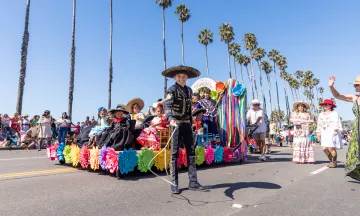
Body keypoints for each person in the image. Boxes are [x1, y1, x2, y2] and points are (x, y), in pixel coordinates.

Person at [163, 65, 208, 194]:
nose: (181, 78)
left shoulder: (189, 90)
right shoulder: (171, 90)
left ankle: (193, 182)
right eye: (179, 77)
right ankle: (174, 183)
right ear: (174, 77)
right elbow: (167, 105)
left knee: (191, 151)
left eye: (184, 77)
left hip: (187, 124)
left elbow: (189, 108)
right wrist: (170, 118)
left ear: (187, 78)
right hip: (175, 124)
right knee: (174, 153)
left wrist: (192, 121)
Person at [329, 75, 360, 180]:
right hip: (357, 128)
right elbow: (338, 96)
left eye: (356, 85)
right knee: (356, 152)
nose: (354, 87)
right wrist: (331, 86)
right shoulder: (354, 97)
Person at [316, 99, 343, 168]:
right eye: (324, 104)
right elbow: (319, 123)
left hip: (332, 131)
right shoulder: (321, 114)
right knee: (324, 148)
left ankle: (333, 162)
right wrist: (318, 131)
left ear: (331, 105)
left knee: (331, 148)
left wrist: (336, 130)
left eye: (326, 104)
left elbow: (337, 122)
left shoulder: (334, 113)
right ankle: (332, 160)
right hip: (324, 132)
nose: (325, 106)